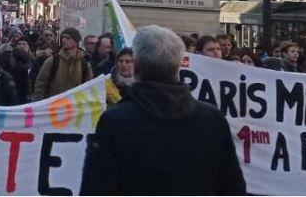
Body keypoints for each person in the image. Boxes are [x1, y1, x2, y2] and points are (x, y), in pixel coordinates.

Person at [80, 25, 246, 195]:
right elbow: (233, 187)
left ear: (136, 67)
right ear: (179, 65)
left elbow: (96, 187)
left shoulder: (114, 121)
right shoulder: (212, 119)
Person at [31, 28, 93, 100]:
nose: (64, 40)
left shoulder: (84, 64)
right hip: (53, 106)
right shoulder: (52, 61)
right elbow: (40, 84)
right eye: (63, 37)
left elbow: (88, 87)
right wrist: (37, 103)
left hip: (75, 106)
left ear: (76, 41)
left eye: (68, 38)